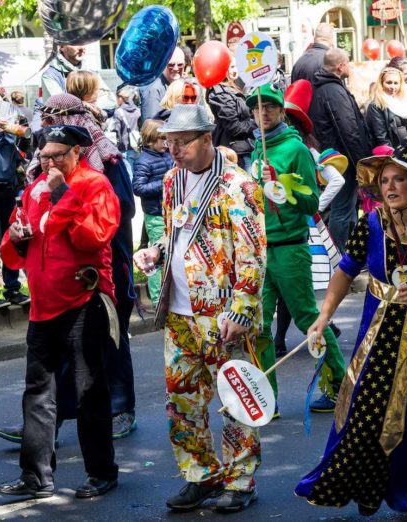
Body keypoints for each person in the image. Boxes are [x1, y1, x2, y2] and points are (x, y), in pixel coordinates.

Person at [296, 134, 407, 522]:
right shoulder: (370, 224)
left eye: (399, 180)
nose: (389, 187)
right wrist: (324, 315)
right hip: (375, 339)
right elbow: (345, 271)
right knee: (364, 416)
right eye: (385, 180)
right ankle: (367, 487)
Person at [132, 102, 266, 513]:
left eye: (182, 142)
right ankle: (201, 475)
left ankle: (240, 481)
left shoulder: (238, 185)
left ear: (207, 138)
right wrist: (155, 252)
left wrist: (241, 310)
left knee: (234, 398)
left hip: (222, 314)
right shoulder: (172, 180)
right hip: (179, 311)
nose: (173, 150)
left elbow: (253, 254)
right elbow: (178, 232)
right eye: (168, 142)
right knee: (183, 400)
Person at [0, 124, 120, 499]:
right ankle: (36, 477)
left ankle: (102, 472)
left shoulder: (94, 185)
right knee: (38, 393)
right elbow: (12, 251)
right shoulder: (34, 189)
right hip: (44, 305)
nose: (48, 163)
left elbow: (92, 237)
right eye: (44, 156)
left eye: (56, 156)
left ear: (76, 153)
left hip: (84, 301)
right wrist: (15, 238)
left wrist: (62, 195)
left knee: (89, 392)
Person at [248, 83, 346, 413]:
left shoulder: (296, 150)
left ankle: (340, 386)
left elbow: (311, 202)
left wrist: (281, 191)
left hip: (290, 247)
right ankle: (267, 402)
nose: (263, 112)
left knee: (308, 320)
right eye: (258, 108)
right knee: (259, 328)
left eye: (270, 107)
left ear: (281, 111)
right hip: (261, 251)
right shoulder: (257, 150)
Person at [274, 79, 346, 356]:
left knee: (296, 285)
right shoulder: (271, 149)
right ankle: (293, 334)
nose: (285, 125)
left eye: (290, 120)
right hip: (280, 226)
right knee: (289, 287)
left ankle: (298, 334)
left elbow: (336, 180)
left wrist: (315, 206)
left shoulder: (306, 151)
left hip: (303, 228)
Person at [310, 48, 372, 250]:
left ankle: (350, 253)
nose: (350, 66)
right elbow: (349, 130)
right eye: (348, 62)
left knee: (348, 208)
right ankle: (341, 257)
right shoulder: (333, 91)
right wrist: (362, 163)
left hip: (340, 159)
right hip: (341, 161)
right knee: (342, 210)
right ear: (340, 66)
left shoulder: (328, 88)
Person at [131, 119, 173, 305]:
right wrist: (165, 181)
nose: (166, 143)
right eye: (162, 139)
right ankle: (157, 300)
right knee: (155, 258)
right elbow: (138, 188)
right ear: (150, 139)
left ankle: (169, 296)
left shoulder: (167, 156)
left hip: (169, 212)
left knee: (169, 254)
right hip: (155, 215)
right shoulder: (144, 161)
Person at [0, 119, 30, 308]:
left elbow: (24, 151)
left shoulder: (7, 130)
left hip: (8, 192)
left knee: (12, 240)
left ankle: (12, 288)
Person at [207, 61, 257, 171]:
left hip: (246, 148)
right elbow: (234, 127)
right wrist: (257, 122)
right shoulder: (220, 94)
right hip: (237, 152)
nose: (234, 70)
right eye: (231, 67)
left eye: (236, 66)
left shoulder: (234, 87)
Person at [366, 67, 407, 150]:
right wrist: (395, 155)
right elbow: (381, 137)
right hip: (392, 154)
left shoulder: (401, 101)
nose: (393, 86)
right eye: (389, 82)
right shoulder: (376, 106)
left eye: (396, 83)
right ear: (381, 84)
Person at [138, 47, 185, 123]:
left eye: (180, 64)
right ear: (163, 64)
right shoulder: (154, 89)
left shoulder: (180, 84)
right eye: (171, 65)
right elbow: (151, 127)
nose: (176, 68)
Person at [112, 86, 141, 165]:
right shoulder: (138, 111)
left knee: (129, 174)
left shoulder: (118, 112)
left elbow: (117, 133)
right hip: (137, 147)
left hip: (125, 149)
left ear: (121, 98)